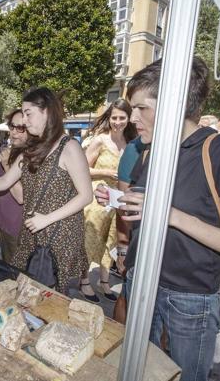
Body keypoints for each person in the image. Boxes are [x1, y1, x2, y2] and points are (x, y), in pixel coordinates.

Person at [114, 57, 220, 381]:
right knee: (139, 373)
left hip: (190, 298)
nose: (133, 118)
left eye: (142, 108)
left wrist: (171, 216)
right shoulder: (150, 151)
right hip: (140, 282)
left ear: (173, 103)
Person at [0, 87, 93, 294]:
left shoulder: (69, 146)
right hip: (33, 233)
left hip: (59, 236)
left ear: (47, 111)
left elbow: (86, 195)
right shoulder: (32, 149)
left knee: (52, 297)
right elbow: (4, 182)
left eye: (29, 114)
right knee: (28, 291)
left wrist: (47, 218)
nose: (25, 121)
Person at [80, 99, 137, 303]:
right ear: (109, 118)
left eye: (122, 117)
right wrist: (106, 172)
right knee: (91, 238)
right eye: (114, 117)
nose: (118, 122)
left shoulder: (133, 143)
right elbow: (83, 168)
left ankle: (104, 281)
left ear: (129, 119)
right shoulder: (100, 140)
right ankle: (84, 280)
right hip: (98, 198)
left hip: (119, 200)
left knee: (111, 240)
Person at [0, 109, 27, 263]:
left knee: (16, 273)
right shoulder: (13, 151)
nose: (14, 132)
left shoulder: (31, 155)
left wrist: (5, 164)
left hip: (16, 226)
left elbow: (21, 197)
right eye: (12, 127)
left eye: (21, 128)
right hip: (5, 221)